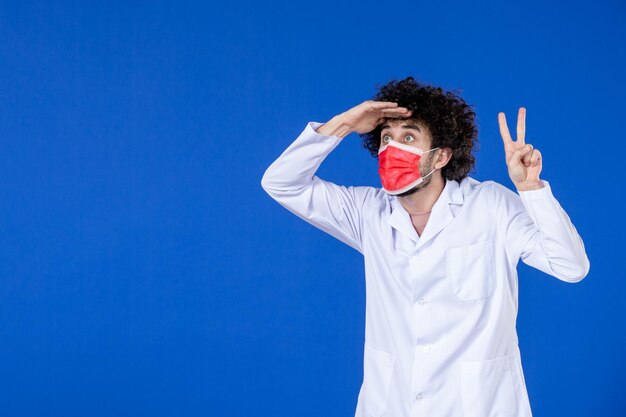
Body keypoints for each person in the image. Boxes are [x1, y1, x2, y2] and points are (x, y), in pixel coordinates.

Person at [260, 76, 589, 417]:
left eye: (408, 137)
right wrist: (344, 124)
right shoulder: (368, 212)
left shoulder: (490, 206)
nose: (392, 148)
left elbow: (571, 266)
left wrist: (532, 189)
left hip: (480, 406)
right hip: (391, 405)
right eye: (386, 138)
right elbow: (281, 183)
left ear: (441, 156)